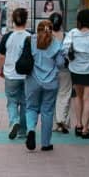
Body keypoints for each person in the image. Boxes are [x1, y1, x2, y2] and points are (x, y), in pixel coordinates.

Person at [63, 8, 89, 139]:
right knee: (88, 99)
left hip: (76, 69)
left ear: (79, 21)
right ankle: (86, 129)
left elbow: (65, 50)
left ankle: (78, 125)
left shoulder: (72, 33)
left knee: (77, 97)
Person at [24, 18, 66, 151]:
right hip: (51, 83)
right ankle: (46, 143)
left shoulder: (31, 41)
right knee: (47, 111)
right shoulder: (57, 43)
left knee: (31, 107)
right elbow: (60, 64)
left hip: (33, 81)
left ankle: (31, 130)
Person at [0, 7, 31, 140]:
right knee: (25, 103)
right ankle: (23, 130)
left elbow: (1, 56)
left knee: (11, 101)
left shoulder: (7, 37)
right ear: (26, 20)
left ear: (13, 21)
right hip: (27, 75)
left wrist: (1, 70)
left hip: (10, 74)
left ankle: (14, 121)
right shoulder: (30, 36)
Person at [50, 12, 71, 133]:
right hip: (65, 70)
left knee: (51, 96)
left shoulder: (46, 36)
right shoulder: (67, 36)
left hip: (49, 70)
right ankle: (61, 120)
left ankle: (54, 124)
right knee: (64, 95)